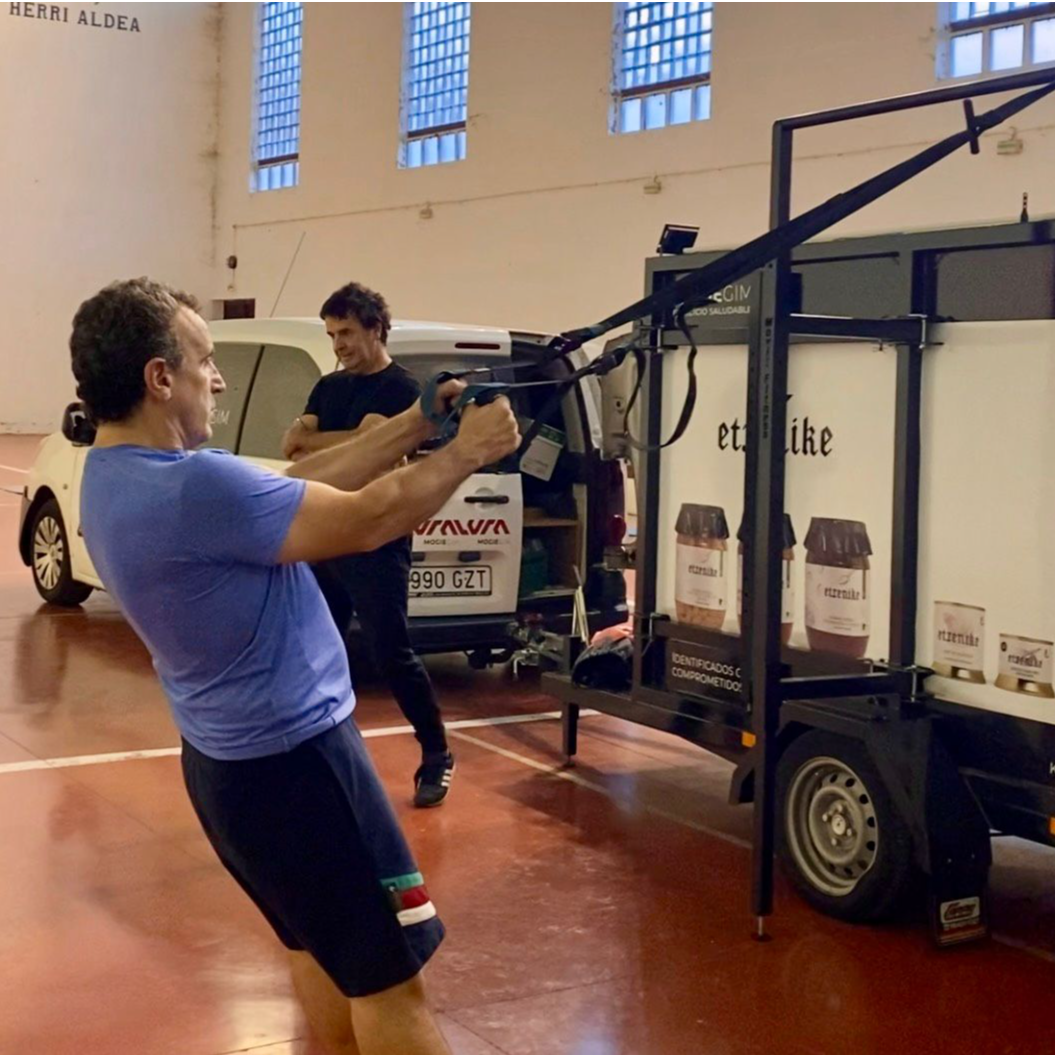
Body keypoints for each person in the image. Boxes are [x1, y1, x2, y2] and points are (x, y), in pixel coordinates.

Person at [70, 278, 520, 1055]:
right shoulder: (193, 487)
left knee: (322, 949)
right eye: (204, 361)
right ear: (158, 376)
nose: (215, 378)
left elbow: (289, 488)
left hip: (230, 772)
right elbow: (371, 517)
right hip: (302, 767)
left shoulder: (117, 478)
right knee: (389, 981)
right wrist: (469, 450)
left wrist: (416, 422)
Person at [281, 283, 454, 809]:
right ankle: (319, 760)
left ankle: (437, 756)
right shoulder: (328, 388)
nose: (339, 345)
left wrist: (349, 441)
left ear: (376, 328)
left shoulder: (404, 390)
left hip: (376, 537)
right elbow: (293, 445)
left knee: (390, 652)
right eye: (332, 334)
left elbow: (379, 457)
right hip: (323, 535)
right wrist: (360, 437)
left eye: (348, 333)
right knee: (314, 651)